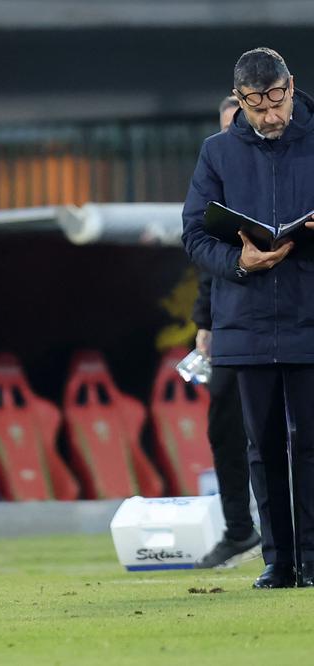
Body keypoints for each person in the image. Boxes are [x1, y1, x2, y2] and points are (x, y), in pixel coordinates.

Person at [182, 47, 314, 589]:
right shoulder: (217, 152)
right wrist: (238, 261)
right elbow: (193, 234)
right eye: (257, 104)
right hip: (246, 319)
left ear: (290, 85)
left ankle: (312, 559)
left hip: (308, 316)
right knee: (261, 446)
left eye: (277, 98)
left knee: (310, 443)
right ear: (240, 99)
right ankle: (278, 562)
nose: (270, 114)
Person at [192, 95, 262, 569]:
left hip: (289, 321)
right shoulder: (215, 167)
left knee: (287, 433)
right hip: (232, 319)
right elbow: (203, 250)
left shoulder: (281, 173)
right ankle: (240, 529)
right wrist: (204, 321)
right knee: (224, 425)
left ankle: (294, 538)